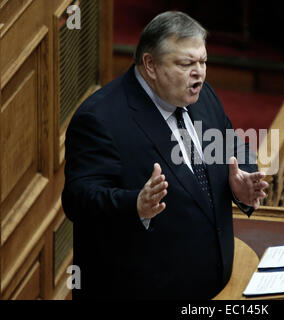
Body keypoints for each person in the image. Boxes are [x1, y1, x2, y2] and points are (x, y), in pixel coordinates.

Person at [62, 11, 268, 300]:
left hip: (215, 288)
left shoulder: (201, 95)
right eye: (186, 63)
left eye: (203, 61)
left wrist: (241, 184)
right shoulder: (100, 119)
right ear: (150, 65)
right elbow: (78, 200)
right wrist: (134, 204)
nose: (199, 72)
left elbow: (231, 145)